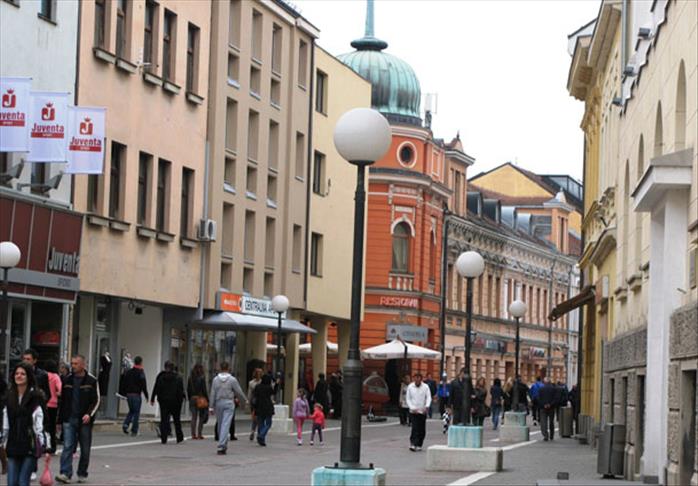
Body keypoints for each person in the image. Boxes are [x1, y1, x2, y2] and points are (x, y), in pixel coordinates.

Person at [55, 354, 99, 484]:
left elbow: (96, 401)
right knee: (68, 446)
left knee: (85, 448)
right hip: (69, 418)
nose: (73, 366)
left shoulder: (91, 381)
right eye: (72, 363)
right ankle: (65, 473)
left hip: (84, 420)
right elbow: (62, 401)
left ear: (83, 365)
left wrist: (89, 414)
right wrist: (59, 420)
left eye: (76, 364)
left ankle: (82, 473)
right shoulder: (67, 380)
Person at [2, 362, 46, 486]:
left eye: (22, 374)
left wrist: (43, 445)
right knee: (11, 483)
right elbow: (5, 425)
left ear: (29, 377)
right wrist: (2, 441)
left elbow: (40, 424)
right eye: (16, 373)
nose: (19, 376)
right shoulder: (8, 398)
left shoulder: (36, 397)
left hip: (29, 445)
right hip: (13, 444)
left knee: (22, 482)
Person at [210, 362, 246, 455]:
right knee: (226, 424)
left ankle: (223, 442)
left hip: (219, 402)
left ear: (220, 368)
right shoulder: (232, 380)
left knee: (220, 423)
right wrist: (244, 400)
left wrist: (211, 406)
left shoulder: (215, 380)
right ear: (229, 368)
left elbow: (212, 393)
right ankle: (221, 445)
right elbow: (238, 391)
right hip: (229, 402)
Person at [150, 361, 185, 445]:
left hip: (164, 401)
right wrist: (181, 400)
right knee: (177, 420)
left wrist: (153, 398)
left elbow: (156, 387)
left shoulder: (161, 377)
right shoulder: (178, 378)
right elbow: (180, 391)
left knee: (164, 419)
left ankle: (164, 438)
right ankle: (179, 437)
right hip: (175, 402)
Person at [121, 356, 148, 437]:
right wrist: (146, 395)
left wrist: (124, 392)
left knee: (131, 410)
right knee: (136, 413)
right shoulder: (141, 372)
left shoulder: (129, 372)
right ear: (140, 362)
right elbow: (143, 384)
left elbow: (124, 382)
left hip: (129, 394)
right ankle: (134, 430)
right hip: (136, 395)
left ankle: (125, 424)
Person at [405, 373, 431, 451]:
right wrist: (412, 408)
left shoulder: (425, 387)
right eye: (416, 378)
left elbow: (428, 397)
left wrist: (427, 406)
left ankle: (419, 443)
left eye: (419, 378)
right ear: (414, 379)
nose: (417, 380)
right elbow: (408, 399)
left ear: (421, 379)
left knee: (422, 428)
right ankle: (413, 443)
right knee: (415, 427)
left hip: (422, 410)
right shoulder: (410, 387)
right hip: (413, 411)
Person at [252, 374, 275, 447]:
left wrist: (253, 406)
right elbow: (274, 393)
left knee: (261, 423)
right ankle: (261, 436)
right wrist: (276, 384)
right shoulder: (269, 388)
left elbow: (254, 396)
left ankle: (262, 439)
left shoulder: (257, 386)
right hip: (268, 406)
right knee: (268, 423)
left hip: (259, 406)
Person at [44, 360, 61, 454]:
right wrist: (56, 393)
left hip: (43, 403)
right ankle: (52, 446)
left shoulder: (43, 375)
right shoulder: (55, 377)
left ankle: (43, 444)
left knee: (43, 425)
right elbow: (60, 389)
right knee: (52, 426)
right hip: (53, 404)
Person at [187, 364, 208, 440]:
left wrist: (190, 398)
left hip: (192, 398)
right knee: (201, 417)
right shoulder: (202, 378)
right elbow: (204, 390)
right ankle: (199, 434)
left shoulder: (190, 378)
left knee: (194, 417)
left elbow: (188, 390)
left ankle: (193, 434)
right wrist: (207, 399)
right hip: (200, 399)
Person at [247, 368, 263, 441]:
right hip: (260, 402)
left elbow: (250, 394)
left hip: (254, 402)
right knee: (260, 418)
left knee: (254, 418)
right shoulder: (263, 382)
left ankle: (253, 430)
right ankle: (259, 433)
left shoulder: (251, 383)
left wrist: (248, 401)